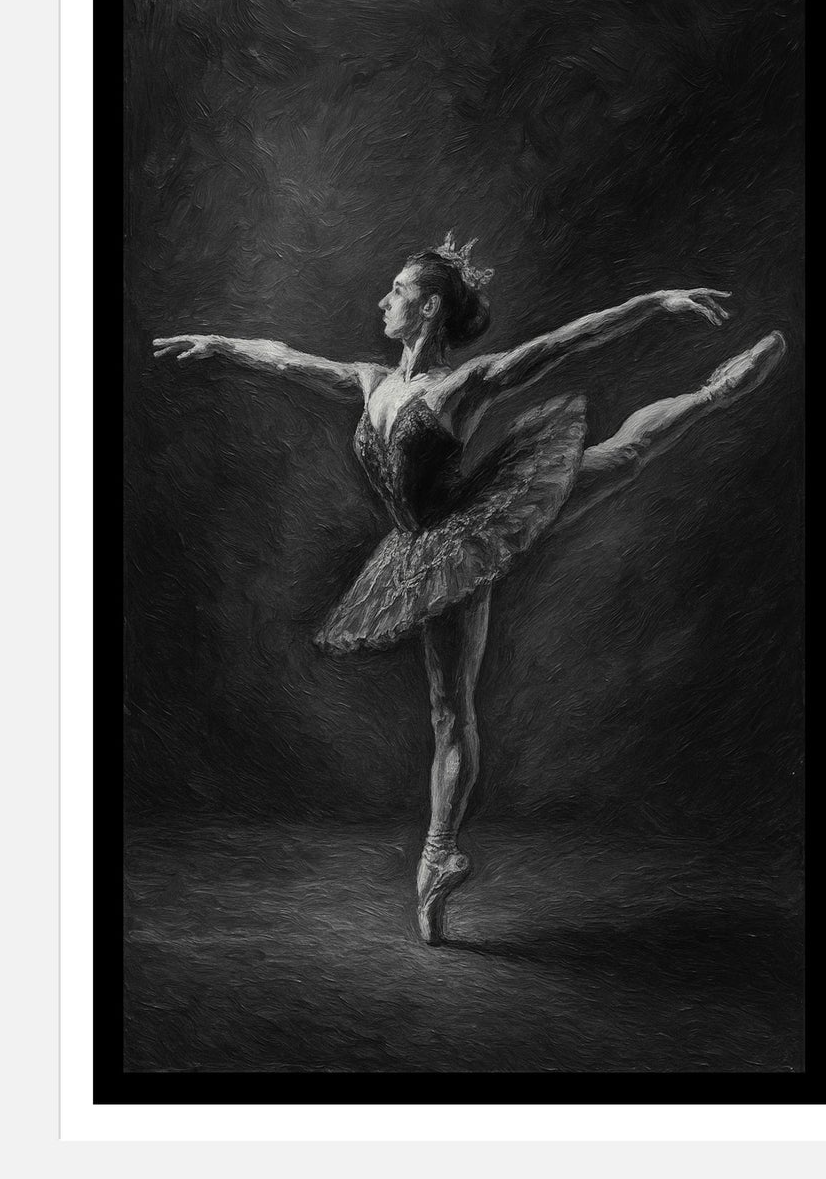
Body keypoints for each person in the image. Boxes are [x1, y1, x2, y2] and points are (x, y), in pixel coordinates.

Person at [152, 234, 787, 945]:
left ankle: (715, 392)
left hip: (475, 528)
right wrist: (219, 343)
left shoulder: (460, 386)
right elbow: (285, 358)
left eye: (396, 292)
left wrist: (649, 302)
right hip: (417, 548)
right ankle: (438, 862)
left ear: (428, 309)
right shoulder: (370, 380)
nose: (382, 301)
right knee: (447, 708)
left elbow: (559, 344)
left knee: (621, 456)